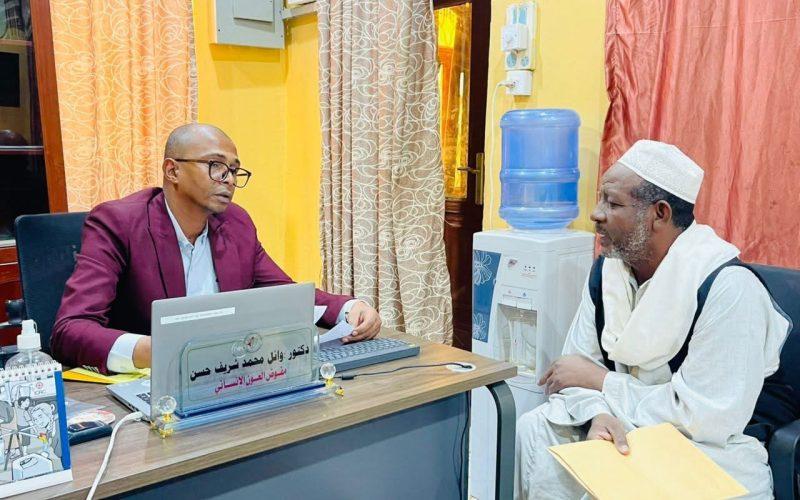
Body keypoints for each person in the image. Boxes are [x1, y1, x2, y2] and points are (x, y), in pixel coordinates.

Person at [515, 140, 790, 499]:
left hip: (709, 446)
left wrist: (603, 383)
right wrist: (598, 415)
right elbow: (574, 369)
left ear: (659, 214)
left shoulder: (728, 287)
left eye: (612, 203)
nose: (596, 214)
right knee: (536, 427)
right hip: (620, 419)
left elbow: (704, 416)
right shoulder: (608, 273)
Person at [51, 124, 381, 374]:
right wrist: (158, 351)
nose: (229, 179)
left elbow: (284, 293)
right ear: (172, 170)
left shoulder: (236, 224)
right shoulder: (119, 223)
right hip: (150, 388)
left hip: (227, 375)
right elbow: (70, 330)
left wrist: (349, 307)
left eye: (234, 170)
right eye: (215, 166)